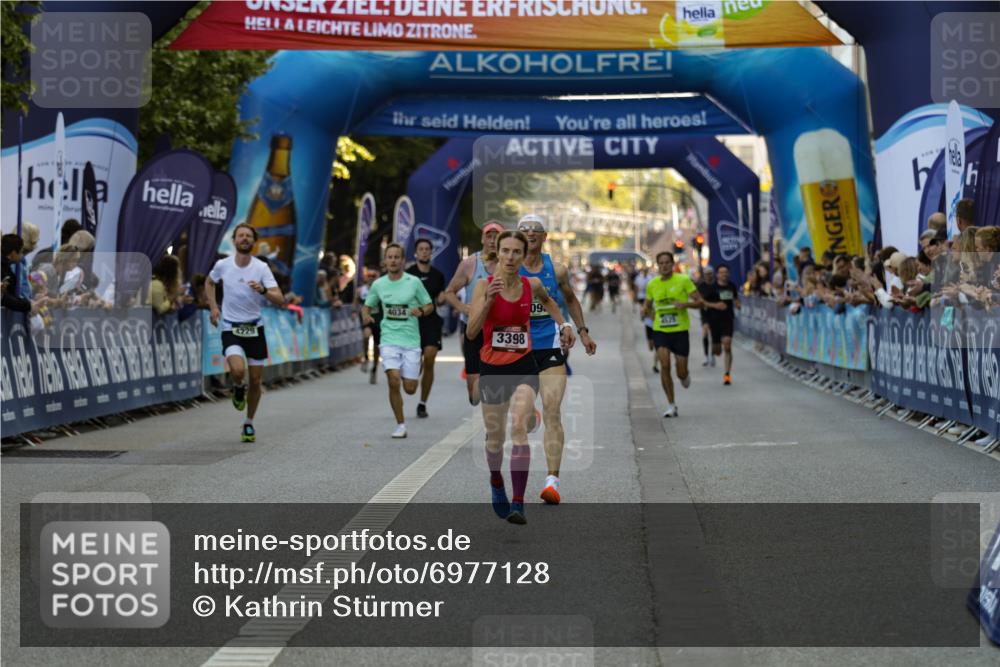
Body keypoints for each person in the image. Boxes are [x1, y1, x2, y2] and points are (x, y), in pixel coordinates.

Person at [466, 230, 574, 525]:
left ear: (524, 255)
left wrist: (564, 325)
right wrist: (488, 301)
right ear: (496, 254)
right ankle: (496, 481)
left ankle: (518, 502)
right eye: (506, 251)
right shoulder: (483, 285)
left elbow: (551, 303)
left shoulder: (532, 284)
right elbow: (472, 332)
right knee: (494, 438)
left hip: (523, 365)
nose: (511, 257)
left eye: (517, 252)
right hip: (492, 366)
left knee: (518, 427)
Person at [516, 214, 596, 505]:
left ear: (544, 236)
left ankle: (552, 482)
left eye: (535, 230)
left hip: (549, 345)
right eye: (524, 230)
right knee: (522, 420)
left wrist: (582, 331)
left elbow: (571, 300)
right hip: (517, 349)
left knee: (553, 411)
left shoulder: (556, 269)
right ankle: (528, 415)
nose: (529, 234)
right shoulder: (508, 269)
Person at [205, 223, 286, 443]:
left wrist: (263, 290)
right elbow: (209, 282)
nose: (244, 238)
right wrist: (213, 307)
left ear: (253, 241)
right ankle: (238, 387)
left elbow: (281, 299)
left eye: (248, 236)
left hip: (254, 328)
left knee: (257, 380)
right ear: (234, 240)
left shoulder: (261, 268)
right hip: (231, 326)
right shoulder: (223, 265)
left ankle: (248, 423)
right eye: (240, 235)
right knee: (238, 371)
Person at [362, 243, 434, 439]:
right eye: (390, 257)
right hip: (389, 339)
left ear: (403, 261)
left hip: (411, 341)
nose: (393, 260)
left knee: (410, 389)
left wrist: (420, 311)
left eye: (396, 257)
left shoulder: (414, 282)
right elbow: (367, 306)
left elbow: (429, 305)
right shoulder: (379, 284)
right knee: (393, 380)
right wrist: (366, 316)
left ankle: (409, 369)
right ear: (385, 261)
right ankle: (400, 425)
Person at [443, 221, 503, 405]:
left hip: (499, 329)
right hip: (474, 327)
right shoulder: (470, 264)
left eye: (497, 237)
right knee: (474, 394)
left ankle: (492, 422)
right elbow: (449, 292)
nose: (492, 241)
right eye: (489, 236)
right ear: (482, 239)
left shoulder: (509, 263)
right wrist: (464, 308)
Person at [644, 251, 705, 418]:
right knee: (664, 365)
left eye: (667, 263)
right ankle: (671, 404)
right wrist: (646, 312)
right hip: (660, 330)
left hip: (680, 331)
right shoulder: (652, 284)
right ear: (658, 265)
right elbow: (647, 305)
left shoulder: (683, 280)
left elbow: (700, 303)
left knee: (681, 373)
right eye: (661, 263)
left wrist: (684, 304)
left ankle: (684, 375)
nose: (664, 266)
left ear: (672, 264)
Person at [406, 238, 447, 418]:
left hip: (431, 320)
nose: (424, 252)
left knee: (429, 357)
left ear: (431, 252)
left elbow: (440, 297)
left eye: (427, 249)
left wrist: (443, 298)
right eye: (421, 249)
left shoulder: (438, 275)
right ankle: (414, 368)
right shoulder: (408, 274)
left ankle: (422, 403)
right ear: (416, 252)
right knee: (415, 364)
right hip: (412, 322)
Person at [706, 264, 740, 385]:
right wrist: (715, 305)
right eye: (721, 272)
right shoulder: (712, 288)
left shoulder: (732, 286)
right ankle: (714, 348)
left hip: (727, 319)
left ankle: (727, 374)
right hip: (714, 320)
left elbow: (735, 299)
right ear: (717, 274)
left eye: (726, 272)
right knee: (717, 351)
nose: (724, 274)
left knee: (727, 344)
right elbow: (703, 302)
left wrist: (738, 304)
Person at [357, 268, 380, 382]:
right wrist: (353, 312)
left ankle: (375, 368)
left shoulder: (381, 290)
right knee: (366, 336)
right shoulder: (361, 290)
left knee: (376, 346)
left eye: (373, 276)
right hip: (367, 319)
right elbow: (355, 302)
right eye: (369, 276)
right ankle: (366, 357)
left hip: (378, 320)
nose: (371, 278)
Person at [2, 234, 32, 313]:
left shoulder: (7, 267)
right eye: (21, 252)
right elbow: (4, 297)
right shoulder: (4, 270)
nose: (21, 255)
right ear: (14, 253)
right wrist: (28, 305)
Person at [695, 266, 717, 367]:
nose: (709, 276)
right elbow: (697, 298)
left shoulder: (716, 285)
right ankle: (706, 356)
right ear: (704, 275)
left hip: (715, 312)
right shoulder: (701, 286)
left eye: (710, 274)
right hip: (705, 312)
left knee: (713, 335)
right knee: (705, 332)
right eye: (707, 274)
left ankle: (712, 355)